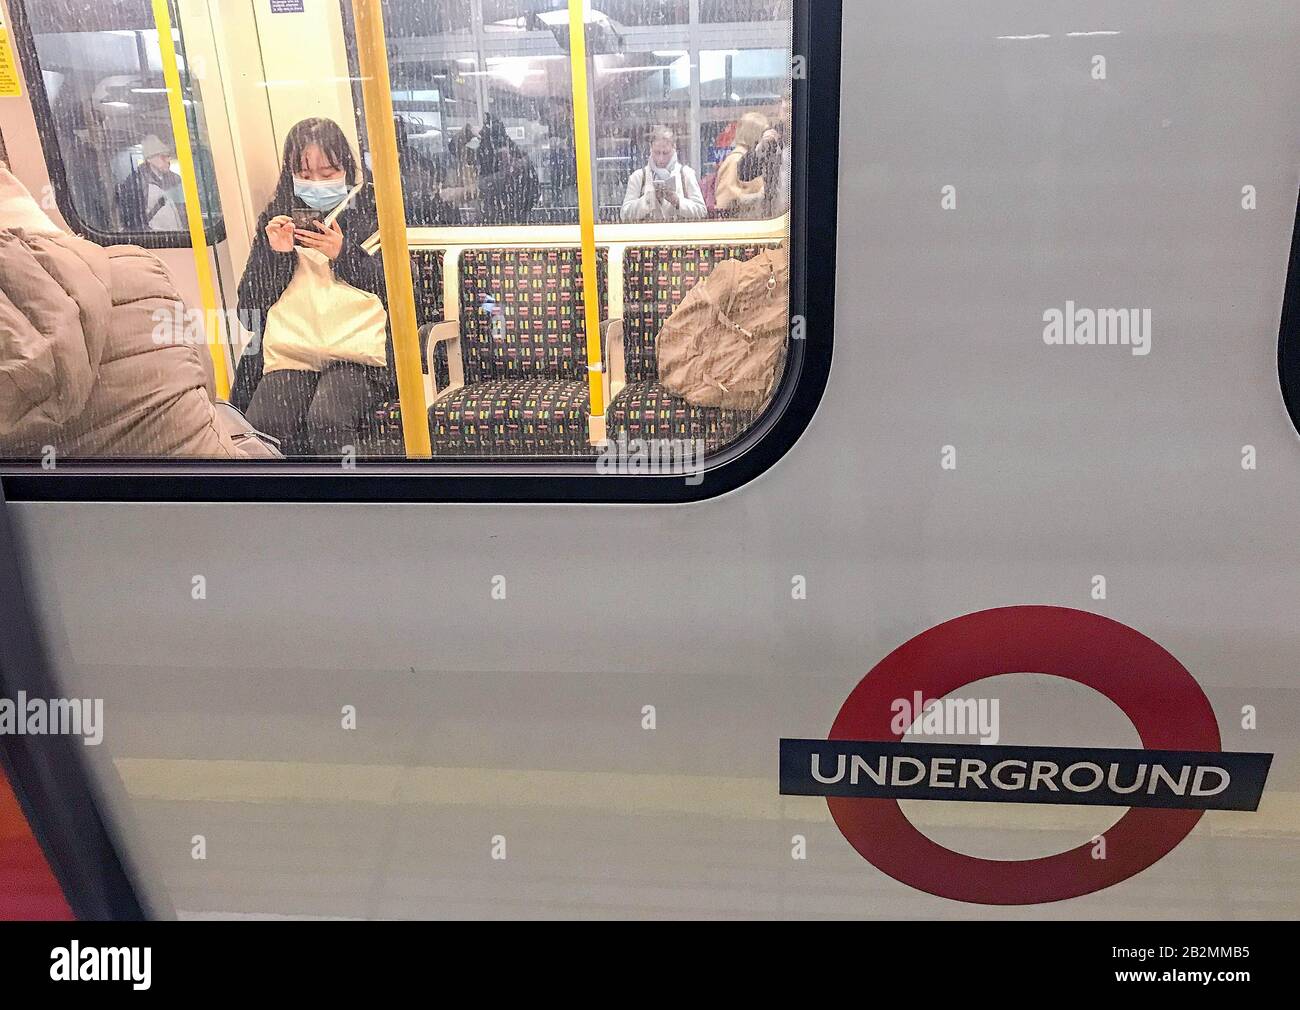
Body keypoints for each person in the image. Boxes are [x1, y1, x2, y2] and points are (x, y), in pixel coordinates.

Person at [0, 164, 277, 459]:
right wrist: (278, 254)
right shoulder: (143, 274)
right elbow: (210, 372)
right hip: (210, 490)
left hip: (53, 503)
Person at [232, 118, 396, 456]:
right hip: (294, 348)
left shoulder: (375, 214)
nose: (316, 183)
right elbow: (248, 312)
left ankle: (344, 496)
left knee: (328, 418)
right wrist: (277, 256)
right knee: (265, 423)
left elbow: (403, 296)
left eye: (328, 172)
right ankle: (282, 502)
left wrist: (342, 253)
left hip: (358, 352)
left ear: (348, 172)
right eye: (305, 175)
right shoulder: (277, 221)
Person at [444, 115, 540, 226]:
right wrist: (468, 131)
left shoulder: (519, 161)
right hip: (489, 219)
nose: (503, 159)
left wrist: (465, 191)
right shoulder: (485, 156)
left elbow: (502, 178)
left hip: (515, 221)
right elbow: (454, 148)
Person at [620, 126, 707, 223]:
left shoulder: (686, 174)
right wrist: (649, 199)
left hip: (679, 236)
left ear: (674, 149)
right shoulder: (638, 177)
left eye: (665, 153)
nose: (661, 159)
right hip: (648, 237)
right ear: (651, 148)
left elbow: (702, 211)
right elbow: (624, 214)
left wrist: (678, 202)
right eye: (657, 152)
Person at [115, 134, 185, 232]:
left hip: (179, 237)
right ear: (149, 159)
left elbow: (182, 209)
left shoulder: (175, 180)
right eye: (163, 156)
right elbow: (134, 223)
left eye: (169, 156)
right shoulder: (135, 184)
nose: (168, 160)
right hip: (156, 240)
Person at [737, 97, 791, 218]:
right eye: (785, 111)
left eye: (790, 111)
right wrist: (760, 148)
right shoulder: (773, 139)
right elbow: (744, 173)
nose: (788, 116)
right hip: (775, 214)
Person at [713, 112, 769, 220]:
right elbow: (727, 200)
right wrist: (761, 195)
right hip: (741, 224)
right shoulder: (736, 160)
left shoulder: (753, 158)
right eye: (763, 133)